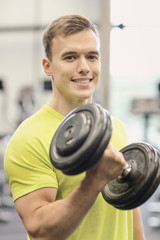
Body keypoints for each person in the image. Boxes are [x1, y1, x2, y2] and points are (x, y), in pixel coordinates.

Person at [4, 15, 145, 240]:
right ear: (48, 66)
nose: (84, 67)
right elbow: (40, 230)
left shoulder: (115, 127)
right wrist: (95, 180)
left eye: (92, 56)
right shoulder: (28, 138)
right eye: (70, 57)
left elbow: (130, 208)